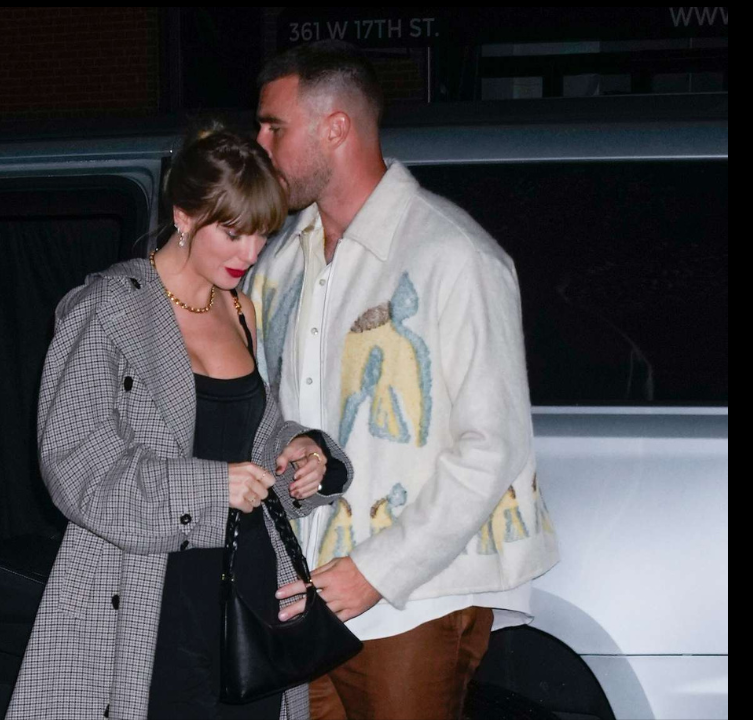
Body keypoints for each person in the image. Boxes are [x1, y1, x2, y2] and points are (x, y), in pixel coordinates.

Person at [245, 41, 560, 719]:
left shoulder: (451, 254)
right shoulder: (281, 262)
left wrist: (374, 572)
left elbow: (494, 445)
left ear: (336, 128)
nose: (259, 145)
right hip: (305, 596)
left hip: (413, 602)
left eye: (274, 127)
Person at [6, 123, 351, 720]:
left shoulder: (239, 308)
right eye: (234, 233)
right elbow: (74, 465)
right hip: (143, 595)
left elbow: (252, 433)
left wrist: (298, 449)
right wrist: (210, 488)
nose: (250, 254)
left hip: (246, 588)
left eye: (263, 234)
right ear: (184, 215)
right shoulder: (109, 308)